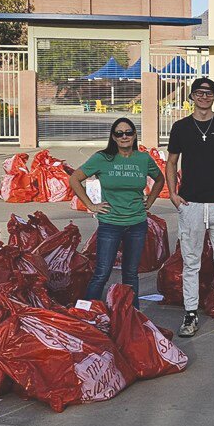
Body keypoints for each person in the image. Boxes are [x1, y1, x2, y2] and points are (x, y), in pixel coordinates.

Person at [166, 76, 214, 337]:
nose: (204, 96)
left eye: (209, 92)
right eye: (199, 92)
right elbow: (171, 162)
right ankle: (190, 314)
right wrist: (173, 195)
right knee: (191, 262)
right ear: (191, 96)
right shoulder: (180, 128)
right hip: (191, 204)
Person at [69, 117, 165, 305]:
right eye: (119, 133)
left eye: (128, 132)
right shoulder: (102, 158)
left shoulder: (143, 159)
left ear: (135, 135)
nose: (124, 137)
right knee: (102, 272)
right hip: (110, 224)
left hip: (137, 223)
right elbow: (74, 179)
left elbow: (159, 179)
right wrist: (91, 205)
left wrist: (150, 201)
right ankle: (87, 314)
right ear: (113, 137)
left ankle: (132, 316)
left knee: (131, 274)